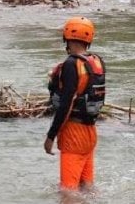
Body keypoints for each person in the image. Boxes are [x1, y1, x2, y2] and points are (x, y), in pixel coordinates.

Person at [44, 17, 106, 192]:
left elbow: (66, 104)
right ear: (89, 39)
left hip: (73, 135)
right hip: (90, 132)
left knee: (68, 192)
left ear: (67, 38)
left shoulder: (71, 64)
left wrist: (51, 136)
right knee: (87, 187)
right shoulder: (96, 61)